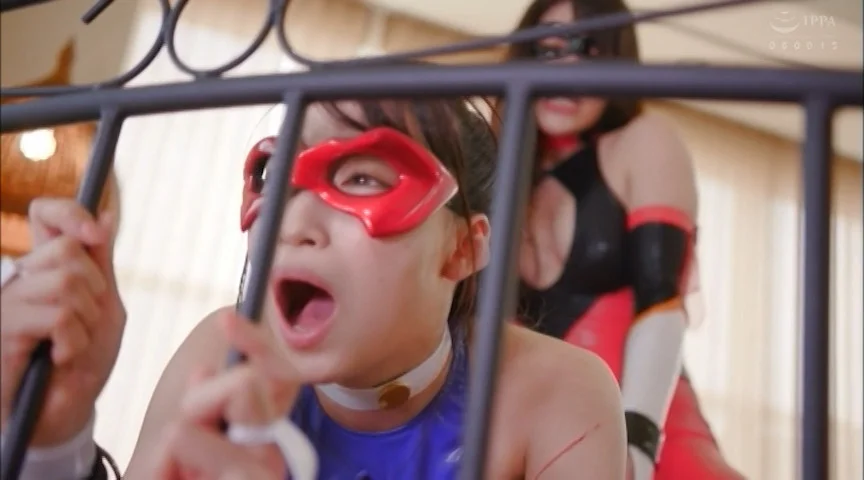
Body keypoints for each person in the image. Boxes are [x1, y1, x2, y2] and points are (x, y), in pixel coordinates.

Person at [1, 98, 628, 479]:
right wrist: (54, 440)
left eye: (362, 179)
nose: (293, 222)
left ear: (462, 247)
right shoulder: (221, 354)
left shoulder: (559, 393)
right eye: (275, 176)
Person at [502, 1, 747, 480]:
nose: (568, 70)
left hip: (647, 425)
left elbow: (662, 304)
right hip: (540, 433)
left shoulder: (643, 140)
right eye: (549, 48)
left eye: (590, 51)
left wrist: (638, 444)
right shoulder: (498, 160)